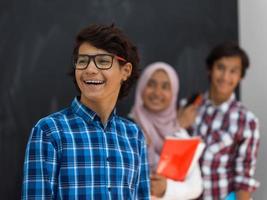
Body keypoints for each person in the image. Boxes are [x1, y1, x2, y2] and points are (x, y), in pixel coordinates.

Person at [22, 24, 150, 199]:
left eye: (103, 61)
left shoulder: (134, 135)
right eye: (82, 61)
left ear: (125, 71)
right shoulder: (49, 131)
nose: (89, 69)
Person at [183, 42, 260, 200]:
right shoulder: (188, 107)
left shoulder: (246, 120)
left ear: (240, 77)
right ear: (209, 69)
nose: (225, 77)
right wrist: (179, 125)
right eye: (220, 67)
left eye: (233, 71)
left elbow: (243, 180)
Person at [129, 62, 203, 199]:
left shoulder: (180, 135)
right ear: (141, 87)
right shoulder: (126, 129)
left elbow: (196, 187)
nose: (157, 92)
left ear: (174, 92)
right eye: (151, 84)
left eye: (165, 87)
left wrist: (166, 188)